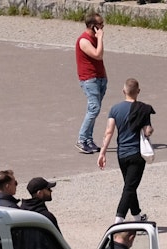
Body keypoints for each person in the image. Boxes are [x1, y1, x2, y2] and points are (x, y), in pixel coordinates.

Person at [97, 78, 156, 222]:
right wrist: (149, 130)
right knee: (130, 187)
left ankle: (136, 215)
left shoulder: (115, 109)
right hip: (137, 154)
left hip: (121, 154)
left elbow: (109, 131)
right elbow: (147, 131)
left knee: (130, 185)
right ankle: (119, 219)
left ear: (124, 91)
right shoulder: (143, 109)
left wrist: (102, 152)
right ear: (138, 92)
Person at [74, 13, 107, 155]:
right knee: (94, 108)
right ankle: (81, 139)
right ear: (93, 26)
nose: (103, 27)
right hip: (89, 79)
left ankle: (88, 139)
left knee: (94, 110)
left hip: (100, 78)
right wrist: (100, 38)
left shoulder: (94, 38)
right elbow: (98, 55)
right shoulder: (84, 40)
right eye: (100, 24)